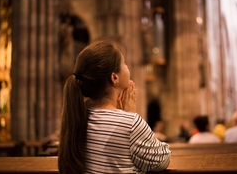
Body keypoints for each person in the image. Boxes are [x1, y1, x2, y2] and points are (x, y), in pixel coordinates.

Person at [58, 39, 171, 174]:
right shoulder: (130, 123)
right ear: (114, 77)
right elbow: (162, 160)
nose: (127, 67)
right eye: (124, 63)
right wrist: (130, 116)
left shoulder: (78, 115)